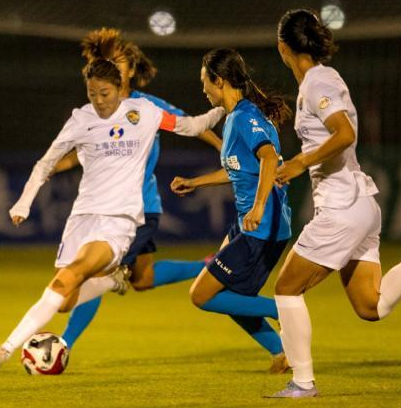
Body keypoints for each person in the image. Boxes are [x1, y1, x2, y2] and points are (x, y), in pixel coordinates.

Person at [268, 9, 401, 398]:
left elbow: (344, 133)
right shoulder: (321, 81)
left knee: (286, 289)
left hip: (342, 206)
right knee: (371, 307)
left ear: (283, 47)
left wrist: (300, 161)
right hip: (360, 203)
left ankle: (302, 381)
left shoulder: (318, 82)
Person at [0, 58, 225, 372]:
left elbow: (192, 126)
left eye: (105, 94)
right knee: (65, 300)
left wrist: (222, 107)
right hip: (82, 218)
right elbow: (46, 163)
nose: (98, 101)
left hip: (119, 221)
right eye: (92, 93)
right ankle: (112, 281)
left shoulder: (145, 113)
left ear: (120, 90)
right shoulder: (80, 119)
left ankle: (5, 349)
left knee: (69, 276)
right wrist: (23, 202)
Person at [50, 28, 223, 351]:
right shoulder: (99, 107)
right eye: (108, 62)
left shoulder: (146, 105)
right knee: (142, 279)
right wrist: (56, 165)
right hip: (109, 208)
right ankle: (210, 266)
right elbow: (85, 151)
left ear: (130, 69)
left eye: (120, 62)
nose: (114, 67)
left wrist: (223, 148)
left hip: (136, 209)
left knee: (94, 273)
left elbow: (191, 124)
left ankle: (63, 346)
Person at [170, 48, 294, 373]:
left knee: (201, 295)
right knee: (233, 295)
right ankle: (283, 352)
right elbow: (239, 170)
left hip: (261, 225)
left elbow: (268, 158)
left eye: (204, 82)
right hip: (250, 224)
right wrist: (196, 182)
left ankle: (285, 311)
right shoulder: (235, 117)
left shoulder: (243, 116)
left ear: (219, 80)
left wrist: (258, 207)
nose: (203, 89)